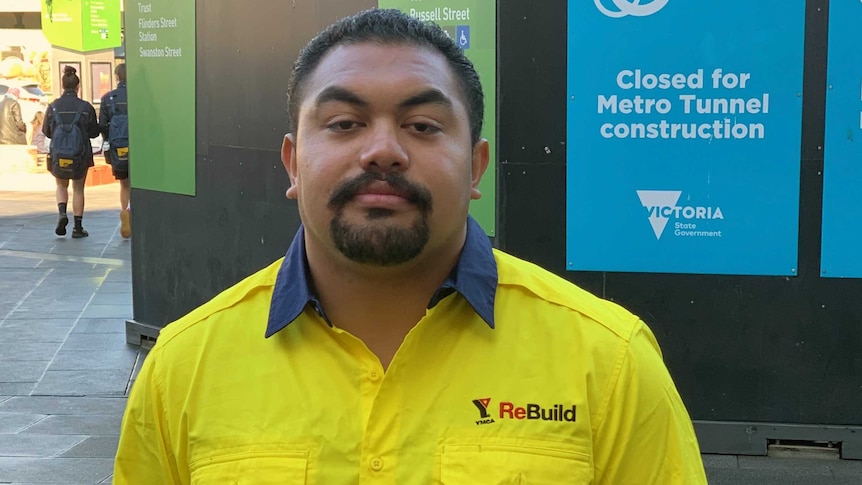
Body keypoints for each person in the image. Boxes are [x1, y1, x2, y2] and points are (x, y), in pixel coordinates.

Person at [114, 8, 707, 483]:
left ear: (476, 168)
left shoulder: (609, 363)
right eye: (344, 123)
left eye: (422, 126)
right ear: (293, 163)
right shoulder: (184, 368)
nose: (382, 151)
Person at [44, 66, 100, 238]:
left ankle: (62, 213)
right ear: (78, 87)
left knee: (61, 185)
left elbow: (47, 131)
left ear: (63, 86)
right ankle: (77, 227)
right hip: (79, 155)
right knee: (78, 189)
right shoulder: (85, 107)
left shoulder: (53, 107)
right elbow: (94, 132)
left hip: (59, 155)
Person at [99, 63, 131, 238]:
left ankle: (125, 211)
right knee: (137, 182)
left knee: (124, 183)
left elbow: (102, 126)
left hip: (118, 147)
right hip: (138, 146)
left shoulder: (107, 98)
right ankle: (133, 212)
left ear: (117, 77)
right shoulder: (138, 96)